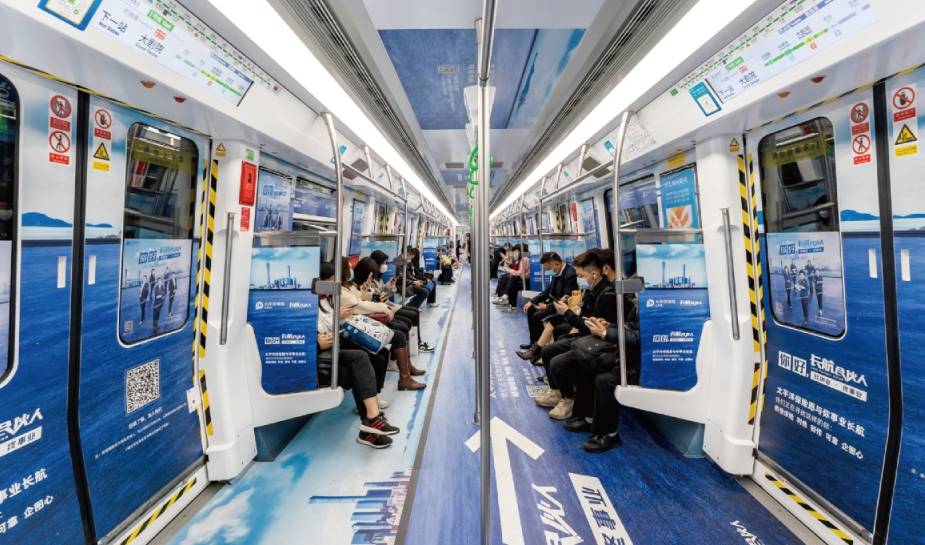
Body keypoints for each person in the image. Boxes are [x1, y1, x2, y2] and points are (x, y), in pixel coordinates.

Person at [316, 262, 398, 449]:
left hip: (335, 339)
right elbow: (321, 325)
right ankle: (373, 419)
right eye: (331, 280)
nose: (335, 284)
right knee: (360, 357)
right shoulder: (312, 302)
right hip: (324, 347)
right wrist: (335, 320)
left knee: (375, 354)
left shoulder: (328, 299)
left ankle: (371, 421)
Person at [535, 249, 620, 420]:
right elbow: (584, 318)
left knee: (557, 362)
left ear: (594, 274)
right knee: (548, 350)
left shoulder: (607, 294)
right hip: (587, 336)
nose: (579, 279)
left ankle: (570, 399)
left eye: (581, 275)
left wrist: (567, 313)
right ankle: (557, 393)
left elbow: (590, 326)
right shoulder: (591, 291)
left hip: (598, 342)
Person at [343, 257, 427, 390]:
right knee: (399, 334)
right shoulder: (343, 291)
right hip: (358, 324)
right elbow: (359, 305)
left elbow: (364, 298)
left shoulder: (351, 287)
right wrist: (382, 306)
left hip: (365, 318)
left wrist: (368, 292)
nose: (351, 270)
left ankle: (406, 370)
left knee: (403, 326)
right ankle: (404, 377)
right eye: (348, 268)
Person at [518, 252, 578, 360]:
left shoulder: (570, 275)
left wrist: (547, 307)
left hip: (561, 307)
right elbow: (547, 291)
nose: (549, 271)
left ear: (556, 264)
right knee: (531, 309)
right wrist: (532, 301)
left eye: (549, 268)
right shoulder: (557, 273)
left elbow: (566, 299)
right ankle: (533, 343)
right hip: (553, 303)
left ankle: (539, 349)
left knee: (537, 316)